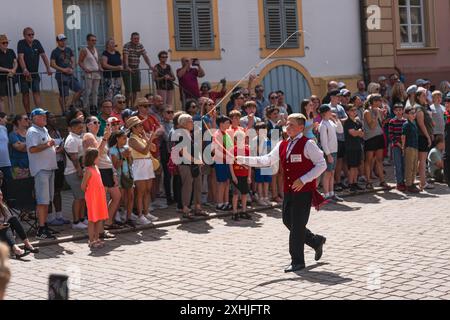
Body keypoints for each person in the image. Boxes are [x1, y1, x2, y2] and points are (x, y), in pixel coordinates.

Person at [237, 113, 327, 272]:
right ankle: (315, 241)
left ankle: (297, 261)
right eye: (287, 124)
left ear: (301, 127)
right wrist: (244, 159)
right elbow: (266, 160)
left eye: (292, 124)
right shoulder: (282, 144)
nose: (288, 126)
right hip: (289, 191)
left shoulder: (308, 144)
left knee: (298, 226)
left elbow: (321, 164)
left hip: (303, 191)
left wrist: (305, 179)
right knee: (288, 222)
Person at [83, 116, 121, 231]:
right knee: (101, 201)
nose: (98, 124)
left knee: (117, 196)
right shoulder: (88, 136)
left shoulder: (99, 137)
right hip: (99, 171)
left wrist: (114, 173)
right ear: (88, 125)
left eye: (99, 122)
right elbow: (96, 154)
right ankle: (100, 231)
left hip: (107, 169)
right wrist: (105, 139)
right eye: (95, 122)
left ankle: (107, 222)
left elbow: (107, 156)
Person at [26, 108, 58, 240]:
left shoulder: (43, 129)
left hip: (49, 169)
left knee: (47, 200)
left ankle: (44, 225)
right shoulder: (32, 131)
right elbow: (32, 149)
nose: (45, 117)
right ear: (35, 118)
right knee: (42, 201)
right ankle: (41, 229)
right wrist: (48, 145)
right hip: (41, 170)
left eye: (45, 115)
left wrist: (54, 147)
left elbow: (47, 146)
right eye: (42, 115)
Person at [176, 114, 208, 219]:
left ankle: (197, 207)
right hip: (185, 164)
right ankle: (185, 208)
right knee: (187, 186)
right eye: (190, 121)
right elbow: (181, 152)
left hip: (195, 164)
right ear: (184, 123)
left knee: (198, 185)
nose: (192, 123)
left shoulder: (191, 134)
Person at [127, 116, 156, 225]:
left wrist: (146, 138)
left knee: (148, 190)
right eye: (139, 125)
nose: (141, 127)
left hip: (147, 163)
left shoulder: (141, 137)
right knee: (140, 192)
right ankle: (140, 215)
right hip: (139, 164)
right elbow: (144, 151)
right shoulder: (132, 139)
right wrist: (150, 138)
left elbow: (153, 148)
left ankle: (146, 212)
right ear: (133, 128)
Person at [17, 27, 52, 114]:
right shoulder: (21, 43)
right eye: (29, 34)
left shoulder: (37, 43)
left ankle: (40, 112)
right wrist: (24, 69)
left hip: (34, 73)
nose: (31, 36)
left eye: (32, 34)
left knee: (36, 92)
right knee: (25, 94)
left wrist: (48, 68)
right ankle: (28, 113)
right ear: (24, 35)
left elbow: (43, 55)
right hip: (23, 74)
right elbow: (20, 57)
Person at [81, 148, 109, 249]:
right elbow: (83, 186)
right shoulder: (88, 170)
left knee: (99, 218)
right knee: (92, 219)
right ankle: (91, 240)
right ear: (93, 158)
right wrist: (91, 192)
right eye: (98, 157)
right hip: (92, 197)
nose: (99, 158)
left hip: (99, 196)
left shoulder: (96, 167)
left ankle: (97, 238)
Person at [0, 190, 39, 258]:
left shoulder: (2, 205)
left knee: (13, 219)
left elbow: (9, 218)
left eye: (1, 195)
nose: (0, 197)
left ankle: (27, 245)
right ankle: (16, 250)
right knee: (4, 227)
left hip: (4, 233)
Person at [64, 118, 87, 230]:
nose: (81, 129)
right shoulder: (72, 140)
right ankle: (76, 221)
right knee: (78, 198)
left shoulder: (77, 137)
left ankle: (82, 219)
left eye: (82, 127)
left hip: (79, 171)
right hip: (73, 172)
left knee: (83, 197)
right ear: (72, 128)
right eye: (78, 127)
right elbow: (74, 158)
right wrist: (79, 170)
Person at [50, 34, 82, 114]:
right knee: (64, 95)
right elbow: (52, 64)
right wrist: (63, 70)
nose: (63, 42)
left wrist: (72, 68)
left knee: (79, 89)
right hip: (61, 75)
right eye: (61, 40)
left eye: (64, 40)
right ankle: (64, 110)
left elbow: (73, 60)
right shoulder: (55, 51)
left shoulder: (69, 50)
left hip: (70, 74)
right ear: (58, 42)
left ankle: (71, 105)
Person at [46, 112, 68, 226]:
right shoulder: (45, 133)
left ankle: (59, 216)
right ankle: (50, 217)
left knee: (58, 191)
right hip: (49, 165)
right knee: (50, 192)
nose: (54, 119)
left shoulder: (57, 132)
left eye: (54, 116)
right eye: (51, 117)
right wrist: (57, 151)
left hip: (59, 163)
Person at [319, 105, 344, 202]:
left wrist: (336, 119)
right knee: (327, 173)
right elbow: (324, 142)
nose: (332, 113)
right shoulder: (323, 125)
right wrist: (328, 154)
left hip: (334, 150)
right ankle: (326, 194)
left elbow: (340, 130)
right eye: (330, 111)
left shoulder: (330, 122)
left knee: (332, 172)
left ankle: (331, 193)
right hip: (329, 152)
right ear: (324, 113)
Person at [109, 130, 134, 226]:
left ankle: (129, 218)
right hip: (119, 176)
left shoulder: (127, 148)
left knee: (131, 197)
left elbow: (131, 163)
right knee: (120, 199)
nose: (125, 140)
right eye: (123, 138)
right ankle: (114, 219)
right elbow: (116, 166)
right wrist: (123, 156)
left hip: (129, 175)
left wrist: (129, 156)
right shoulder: (112, 150)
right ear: (117, 139)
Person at [363, 94, 388, 189]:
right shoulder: (367, 112)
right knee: (368, 161)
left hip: (379, 136)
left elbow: (380, 124)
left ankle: (382, 180)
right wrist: (377, 114)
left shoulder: (377, 110)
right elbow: (372, 126)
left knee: (379, 160)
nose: (380, 103)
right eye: (378, 101)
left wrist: (382, 116)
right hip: (370, 138)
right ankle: (368, 181)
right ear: (373, 102)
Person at [123, 32, 153, 106]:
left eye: (138, 38)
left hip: (136, 69)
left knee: (135, 90)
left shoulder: (140, 46)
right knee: (128, 90)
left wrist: (150, 65)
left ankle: (132, 106)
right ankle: (127, 106)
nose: (136, 40)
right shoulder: (127, 46)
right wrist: (127, 66)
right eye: (135, 38)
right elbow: (125, 57)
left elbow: (145, 56)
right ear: (131, 39)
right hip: (127, 70)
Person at [229, 130, 251, 221]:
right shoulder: (232, 150)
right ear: (235, 139)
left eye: (242, 138)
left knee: (244, 193)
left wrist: (249, 176)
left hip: (245, 175)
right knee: (235, 194)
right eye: (239, 139)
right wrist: (233, 176)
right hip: (236, 175)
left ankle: (244, 211)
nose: (241, 140)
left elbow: (249, 164)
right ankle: (234, 212)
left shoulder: (247, 149)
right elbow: (230, 164)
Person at [328, 89, 348, 191]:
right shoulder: (328, 107)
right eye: (337, 96)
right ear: (331, 97)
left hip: (341, 137)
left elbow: (346, 118)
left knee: (340, 160)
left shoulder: (340, 107)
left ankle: (338, 181)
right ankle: (333, 183)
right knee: (332, 162)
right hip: (332, 138)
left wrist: (338, 120)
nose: (339, 97)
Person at [415, 87, 434, 190]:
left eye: (425, 95)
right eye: (423, 95)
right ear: (418, 97)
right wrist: (428, 136)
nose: (425, 97)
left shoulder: (423, 106)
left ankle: (422, 181)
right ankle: (423, 183)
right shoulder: (419, 108)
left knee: (422, 160)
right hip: (421, 136)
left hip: (424, 136)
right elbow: (421, 124)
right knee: (422, 160)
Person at [213, 115, 233, 211]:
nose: (229, 124)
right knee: (221, 183)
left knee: (227, 182)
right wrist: (226, 156)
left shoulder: (227, 134)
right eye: (227, 123)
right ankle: (219, 203)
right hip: (220, 162)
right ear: (221, 124)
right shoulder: (217, 134)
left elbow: (230, 148)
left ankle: (226, 202)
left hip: (228, 162)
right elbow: (214, 150)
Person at [79, 34, 102, 113]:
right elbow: (80, 62)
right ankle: (86, 107)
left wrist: (100, 68)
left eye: (95, 40)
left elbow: (98, 61)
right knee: (88, 90)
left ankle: (94, 107)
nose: (94, 42)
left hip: (96, 73)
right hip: (89, 73)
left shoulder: (96, 49)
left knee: (95, 91)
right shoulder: (84, 50)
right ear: (88, 41)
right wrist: (85, 69)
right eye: (92, 40)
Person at [344, 104, 364, 192]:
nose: (354, 111)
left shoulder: (357, 122)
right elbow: (353, 133)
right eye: (352, 110)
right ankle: (351, 184)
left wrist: (358, 132)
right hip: (350, 147)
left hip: (358, 146)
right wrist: (358, 132)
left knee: (356, 166)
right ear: (348, 112)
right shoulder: (348, 122)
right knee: (352, 166)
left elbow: (362, 134)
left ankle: (355, 183)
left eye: (355, 110)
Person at [402, 106, 420, 193]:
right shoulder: (406, 124)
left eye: (414, 113)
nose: (414, 115)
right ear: (407, 114)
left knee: (414, 167)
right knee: (409, 167)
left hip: (415, 146)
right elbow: (403, 137)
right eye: (412, 113)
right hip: (409, 147)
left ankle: (412, 183)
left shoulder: (414, 123)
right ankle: (408, 185)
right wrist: (403, 148)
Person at [389, 103, 407, 191]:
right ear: (394, 111)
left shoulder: (405, 121)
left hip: (405, 146)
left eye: (400, 110)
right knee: (398, 164)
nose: (399, 112)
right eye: (397, 110)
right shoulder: (392, 121)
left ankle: (404, 181)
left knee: (404, 164)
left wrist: (404, 145)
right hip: (396, 146)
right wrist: (398, 144)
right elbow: (391, 135)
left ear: (403, 111)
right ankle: (399, 182)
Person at [253, 122, 272, 206]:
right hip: (259, 164)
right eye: (261, 130)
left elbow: (269, 151)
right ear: (257, 131)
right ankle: (260, 198)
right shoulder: (254, 140)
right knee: (260, 182)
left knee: (266, 182)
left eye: (265, 129)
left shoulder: (267, 139)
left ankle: (266, 197)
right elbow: (255, 152)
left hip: (267, 164)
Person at [160, 106, 175, 205]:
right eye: (168, 112)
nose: (170, 114)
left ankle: (174, 195)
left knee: (175, 174)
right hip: (165, 150)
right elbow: (166, 137)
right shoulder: (161, 124)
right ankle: (168, 196)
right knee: (167, 174)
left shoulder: (173, 124)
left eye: (171, 112)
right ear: (163, 114)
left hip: (174, 149)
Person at [9, 114, 30, 179]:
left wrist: (22, 144)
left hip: (30, 165)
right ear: (19, 121)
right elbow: (19, 148)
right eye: (26, 119)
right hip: (18, 167)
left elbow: (34, 148)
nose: (28, 121)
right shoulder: (13, 134)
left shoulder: (30, 133)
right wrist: (29, 143)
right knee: (21, 187)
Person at [0, 34, 17, 113]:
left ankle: (12, 114)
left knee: (11, 96)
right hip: (1, 78)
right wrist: (8, 70)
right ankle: (2, 116)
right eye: (3, 43)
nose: (6, 44)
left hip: (10, 77)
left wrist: (13, 69)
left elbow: (15, 62)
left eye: (6, 42)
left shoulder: (11, 51)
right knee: (1, 98)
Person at [0, 113, 11, 185]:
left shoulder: (4, 128)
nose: (6, 121)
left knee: (8, 184)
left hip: (6, 162)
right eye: (5, 118)